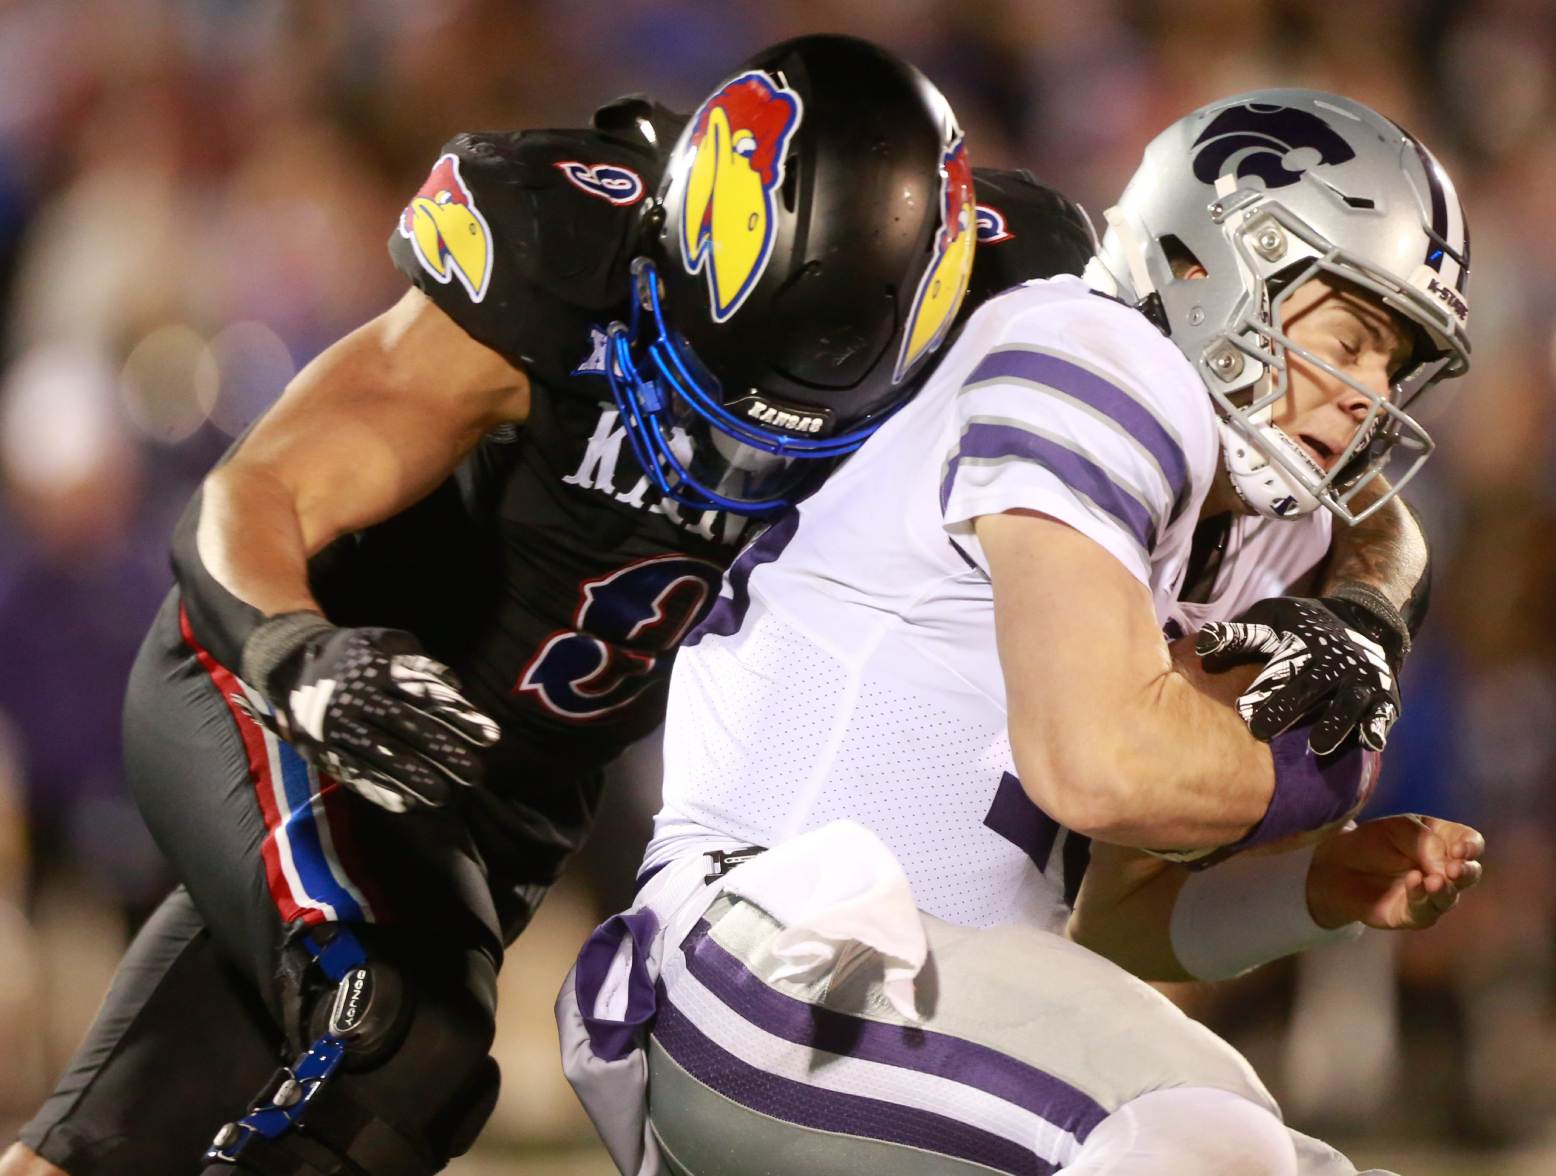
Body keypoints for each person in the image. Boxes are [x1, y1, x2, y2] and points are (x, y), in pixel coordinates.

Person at [0, 34, 982, 1176]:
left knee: (120, 1139)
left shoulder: (1005, 309)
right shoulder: (554, 256)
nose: (732, 447)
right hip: (312, 699)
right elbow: (255, 493)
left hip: (498, 801)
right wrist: (301, 657)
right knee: (397, 1041)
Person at [557, 89, 1479, 1175]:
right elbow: (1099, 770)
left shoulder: (1217, 522)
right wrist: (1328, 763)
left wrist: (1311, 887)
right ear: (1217, 266)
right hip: (778, 955)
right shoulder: (1088, 354)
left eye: (1391, 364)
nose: (1364, 399)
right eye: (1351, 338)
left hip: (907, 1008)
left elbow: (1112, 920)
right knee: (1189, 1134)